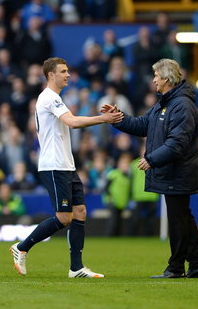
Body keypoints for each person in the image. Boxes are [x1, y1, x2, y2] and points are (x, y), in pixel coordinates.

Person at [10, 57, 123, 278]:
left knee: (80, 212)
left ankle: (76, 268)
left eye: (68, 70)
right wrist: (103, 119)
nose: (68, 74)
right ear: (51, 75)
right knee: (64, 217)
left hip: (66, 164)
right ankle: (22, 247)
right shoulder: (49, 98)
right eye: (63, 71)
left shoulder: (55, 99)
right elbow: (72, 122)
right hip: (53, 165)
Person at [101, 58, 198, 279]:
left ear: (167, 79)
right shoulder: (166, 103)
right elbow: (142, 125)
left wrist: (152, 159)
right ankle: (197, 264)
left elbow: (177, 143)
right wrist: (118, 117)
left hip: (178, 172)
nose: (153, 80)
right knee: (183, 218)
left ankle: (177, 267)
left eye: (157, 76)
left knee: (179, 220)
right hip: (172, 171)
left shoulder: (181, 105)